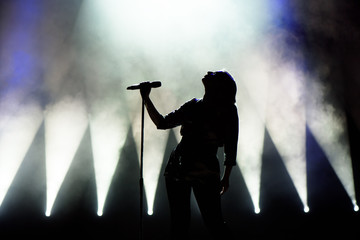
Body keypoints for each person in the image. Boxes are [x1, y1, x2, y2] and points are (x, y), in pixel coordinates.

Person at [140, 71, 239, 240]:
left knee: (214, 222)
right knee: (180, 223)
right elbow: (162, 123)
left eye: (214, 74)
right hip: (178, 168)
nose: (208, 73)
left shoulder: (228, 110)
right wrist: (146, 98)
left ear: (220, 86)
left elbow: (231, 146)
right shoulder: (193, 105)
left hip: (205, 169)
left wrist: (226, 176)